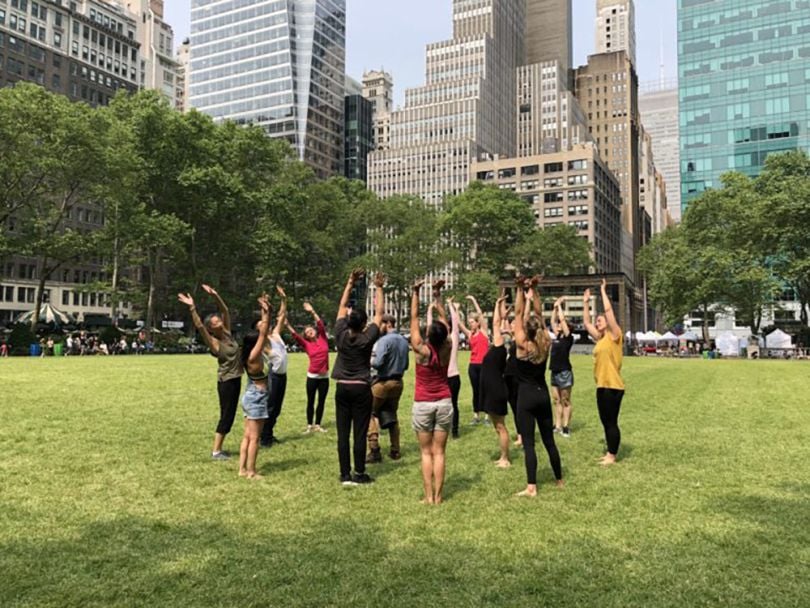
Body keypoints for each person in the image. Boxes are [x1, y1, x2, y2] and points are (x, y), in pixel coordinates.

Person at [178, 284, 243, 461]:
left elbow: (225, 310)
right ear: (211, 328)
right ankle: (216, 451)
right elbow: (199, 325)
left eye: (218, 320)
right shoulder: (214, 342)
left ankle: (218, 449)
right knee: (226, 415)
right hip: (226, 382)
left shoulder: (228, 334)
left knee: (230, 414)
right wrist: (192, 307)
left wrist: (215, 294)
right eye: (215, 322)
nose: (219, 321)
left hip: (236, 379)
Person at [332, 269, 384, 485]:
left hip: (342, 387)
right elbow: (380, 314)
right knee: (360, 432)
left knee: (343, 433)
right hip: (361, 387)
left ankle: (345, 474)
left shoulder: (340, 334)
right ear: (364, 324)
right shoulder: (366, 338)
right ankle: (359, 473)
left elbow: (342, 307)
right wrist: (379, 288)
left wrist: (350, 282)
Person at [513, 276, 563, 497]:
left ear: (526, 329)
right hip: (543, 396)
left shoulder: (522, 345)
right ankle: (559, 479)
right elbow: (540, 316)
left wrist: (519, 290)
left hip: (525, 398)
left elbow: (516, 314)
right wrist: (534, 290)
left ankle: (531, 487)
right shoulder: (546, 343)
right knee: (549, 441)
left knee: (530, 444)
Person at [410, 281, 454, 504]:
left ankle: (428, 497)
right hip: (444, 401)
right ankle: (439, 497)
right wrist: (438, 297)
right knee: (440, 452)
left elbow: (414, 320)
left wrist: (416, 293)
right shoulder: (447, 346)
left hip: (423, 403)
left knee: (426, 452)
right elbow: (445, 324)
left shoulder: (421, 349)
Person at [583, 278, 625, 466]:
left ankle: (612, 455)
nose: (597, 322)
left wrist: (602, 291)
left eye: (599, 320)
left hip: (613, 385)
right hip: (601, 385)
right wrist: (585, 303)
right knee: (605, 421)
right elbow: (585, 323)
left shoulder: (615, 336)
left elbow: (609, 312)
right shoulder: (600, 340)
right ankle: (609, 451)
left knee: (611, 421)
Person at [367, 312, 410, 463]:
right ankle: (395, 450)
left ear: (387, 324)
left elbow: (378, 363)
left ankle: (374, 449)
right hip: (398, 382)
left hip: (382, 383)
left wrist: (369, 360)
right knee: (392, 416)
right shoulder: (404, 341)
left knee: (369, 412)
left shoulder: (384, 340)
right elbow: (406, 365)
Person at [239, 294, 272, 479]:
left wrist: (264, 309)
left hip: (250, 395)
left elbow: (263, 332)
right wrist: (266, 312)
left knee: (247, 436)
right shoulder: (254, 356)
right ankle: (251, 471)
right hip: (257, 397)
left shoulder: (248, 356)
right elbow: (263, 332)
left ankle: (242, 469)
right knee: (255, 438)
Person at [287, 302, 330, 434]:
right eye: (307, 332)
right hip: (312, 376)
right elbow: (295, 335)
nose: (310, 332)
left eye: (311, 330)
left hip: (324, 377)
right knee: (310, 401)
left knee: (321, 401)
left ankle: (318, 424)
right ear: (306, 336)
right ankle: (309, 425)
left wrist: (312, 311)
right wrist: (287, 325)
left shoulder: (323, 338)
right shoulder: (306, 344)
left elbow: (320, 324)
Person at [480, 294, 512, 468]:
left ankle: (505, 458)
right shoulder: (496, 349)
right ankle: (502, 456)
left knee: (500, 426)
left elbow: (495, 323)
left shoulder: (499, 349)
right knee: (497, 426)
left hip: (496, 391)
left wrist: (497, 304)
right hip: (492, 390)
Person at [427, 281, 461, 438]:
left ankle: (449, 429)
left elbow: (450, 321)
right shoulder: (449, 342)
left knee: (443, 405)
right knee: (452, 405)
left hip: (448, 377)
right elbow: (452, 321)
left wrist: (430, 310)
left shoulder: (433, 344)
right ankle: (452, 430)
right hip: (451, 376)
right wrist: (450, 305)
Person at [260, 286, 289, 448]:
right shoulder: (263, 342)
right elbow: (266, 322)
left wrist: (283, 299)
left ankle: (269, 434)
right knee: (270, 407)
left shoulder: (276, 335)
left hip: (283, 376)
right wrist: (264, 309)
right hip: (274, 377)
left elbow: (282, 316)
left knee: (277, 408)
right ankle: (264, 437)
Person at [459, 295, 489, 425]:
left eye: (472, 322)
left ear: (477, 322)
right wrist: (455, 309)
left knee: (485, 390)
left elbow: (481, 315)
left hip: (484, 365)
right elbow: (459, 324)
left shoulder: (483, 331)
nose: (470, 324)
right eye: (469, 322)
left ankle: (487, 417)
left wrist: (473, 300)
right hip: (473, 365)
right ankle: (476, 415)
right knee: (475, 391)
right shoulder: (470, 334)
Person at [549, 297, 575, 438]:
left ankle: (566, 426)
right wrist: (554, 308)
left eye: (561, 324)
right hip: (554, 370)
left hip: (565, 372)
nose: (558, 325)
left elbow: (562, 321)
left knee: (565, 400)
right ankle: (557, 425)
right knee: (556, 400)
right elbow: (553, 321)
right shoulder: (557, 337)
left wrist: (560, 307)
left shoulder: (568, 338)